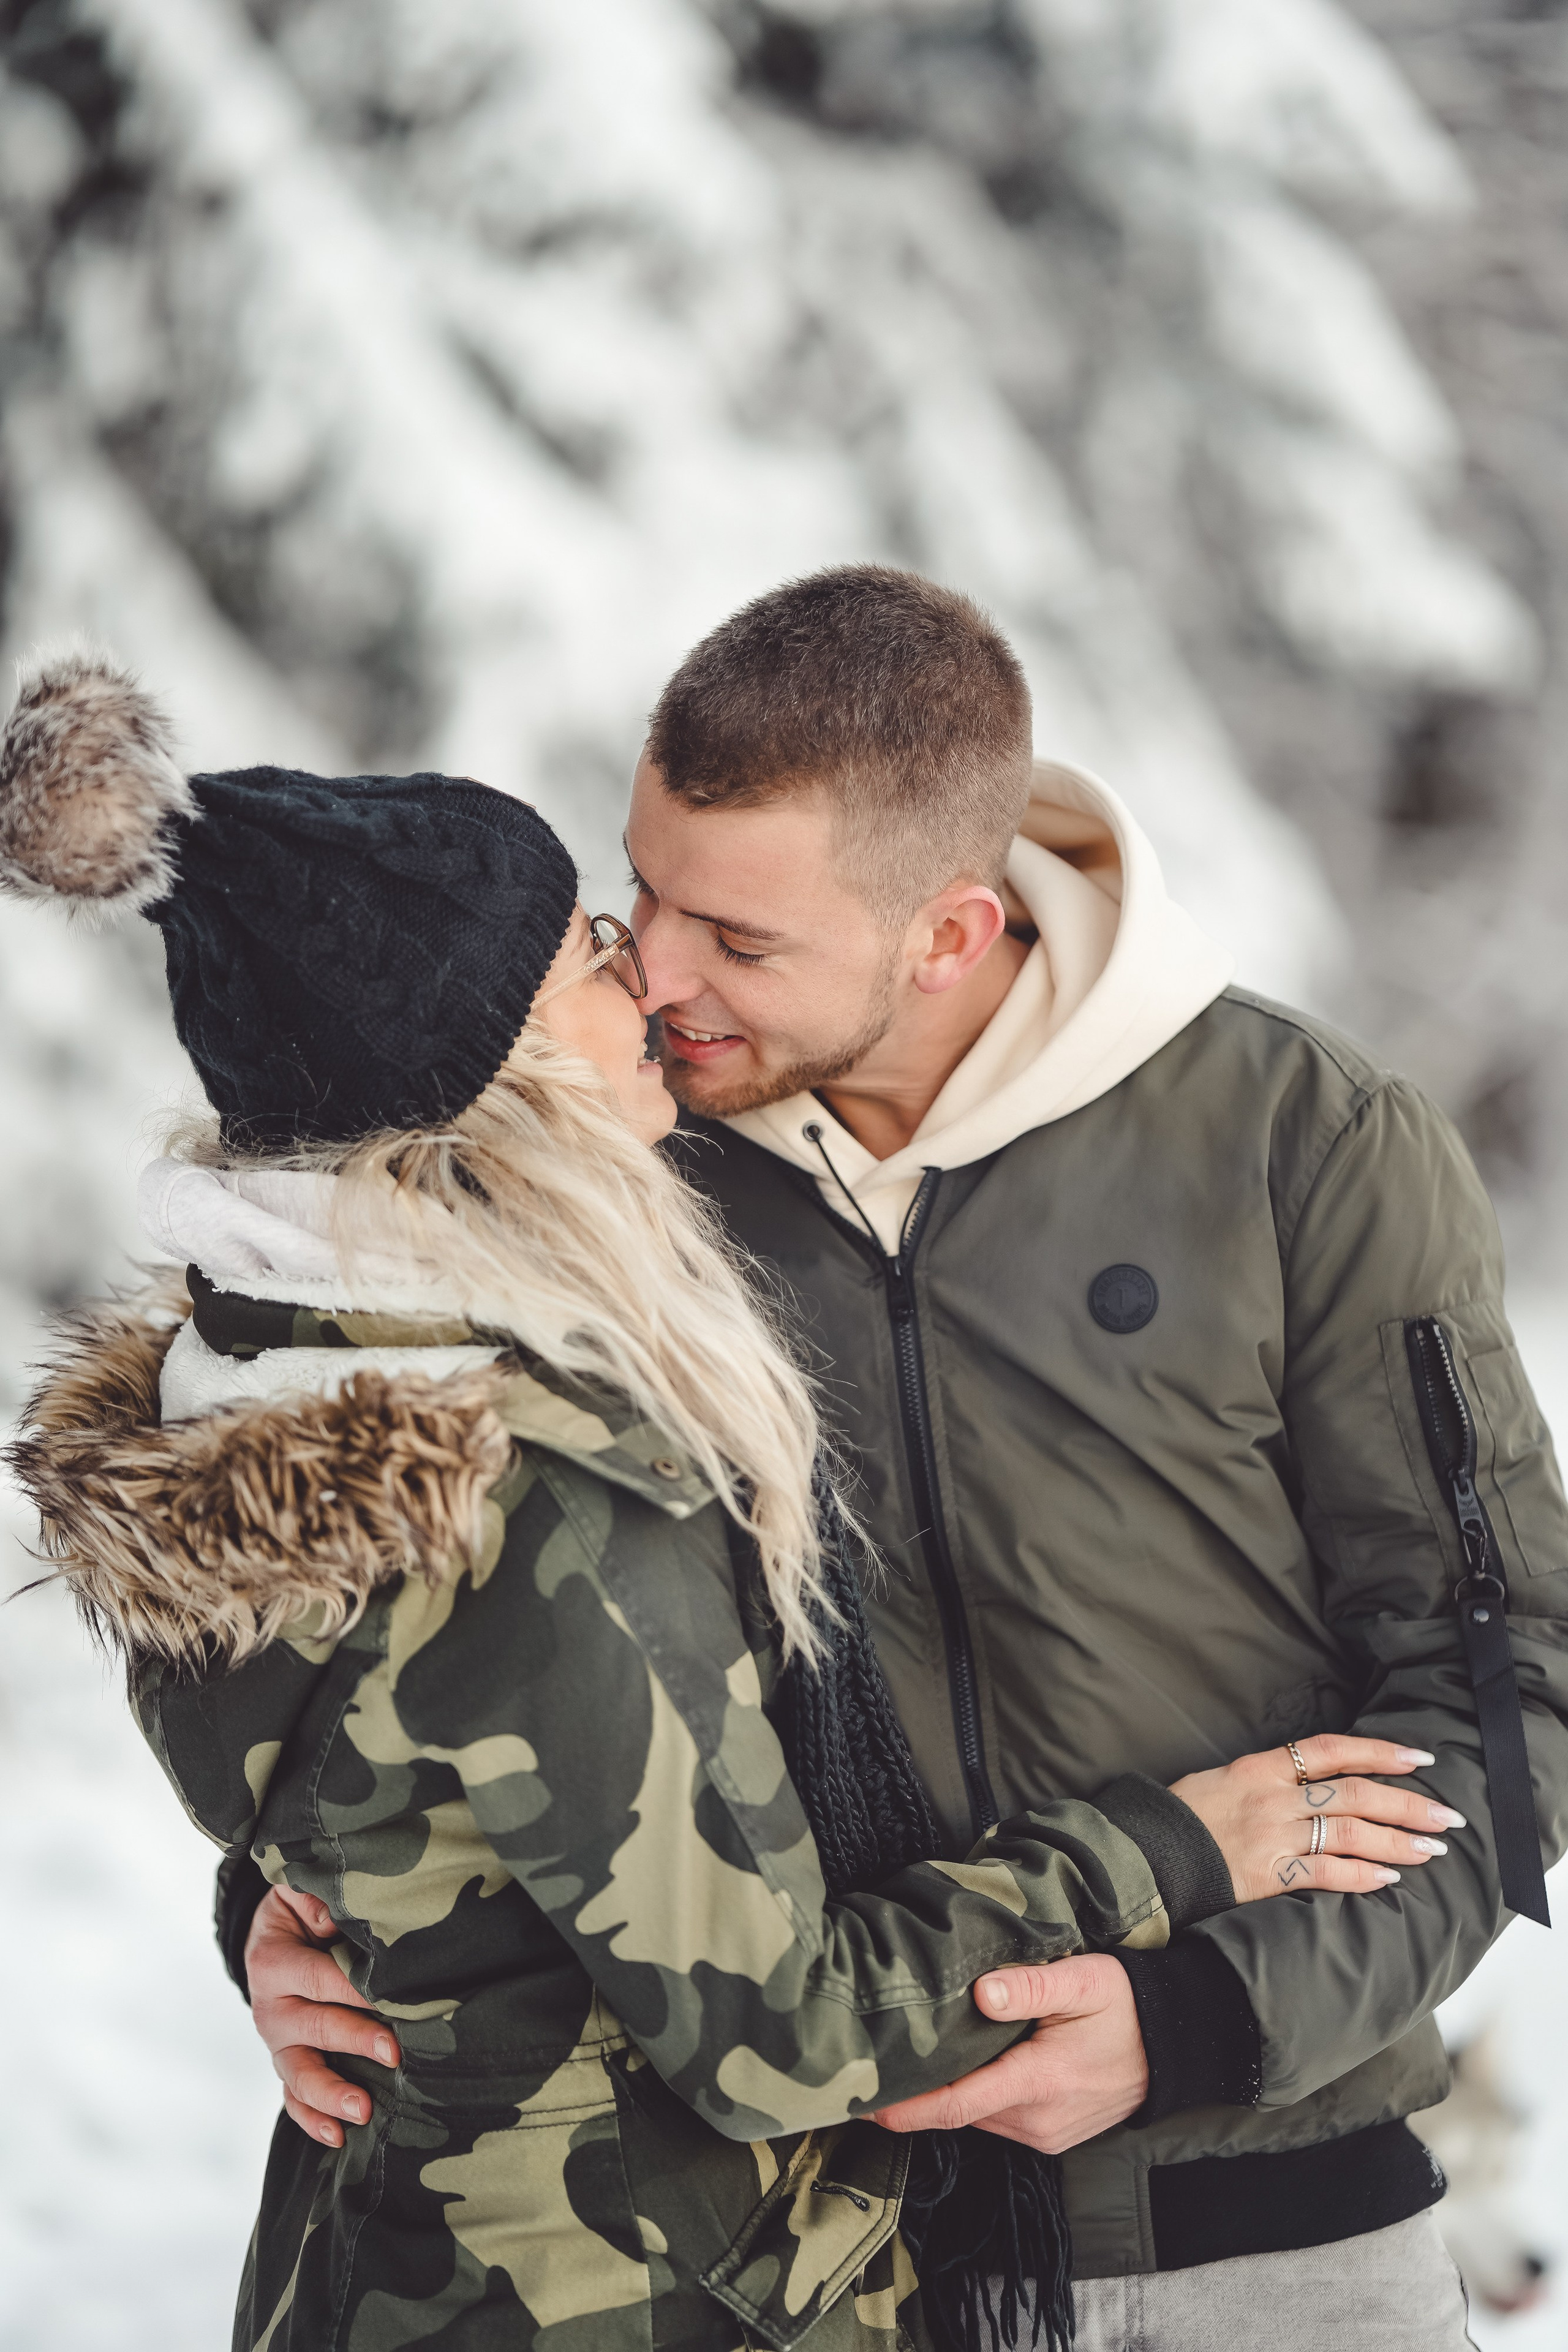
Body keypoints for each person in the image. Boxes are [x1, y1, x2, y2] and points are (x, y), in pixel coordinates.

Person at [0, 650, 1438, 2352]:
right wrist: (1188, 1840)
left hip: (406, 2268)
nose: (657, 985)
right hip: (634, 2292)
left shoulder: (265, 1375)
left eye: (687, 936)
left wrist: (311, 1909)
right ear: (500, 1088)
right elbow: (771, 2018)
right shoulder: (539, 1463)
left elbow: (397, 1786)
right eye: (603, 947)